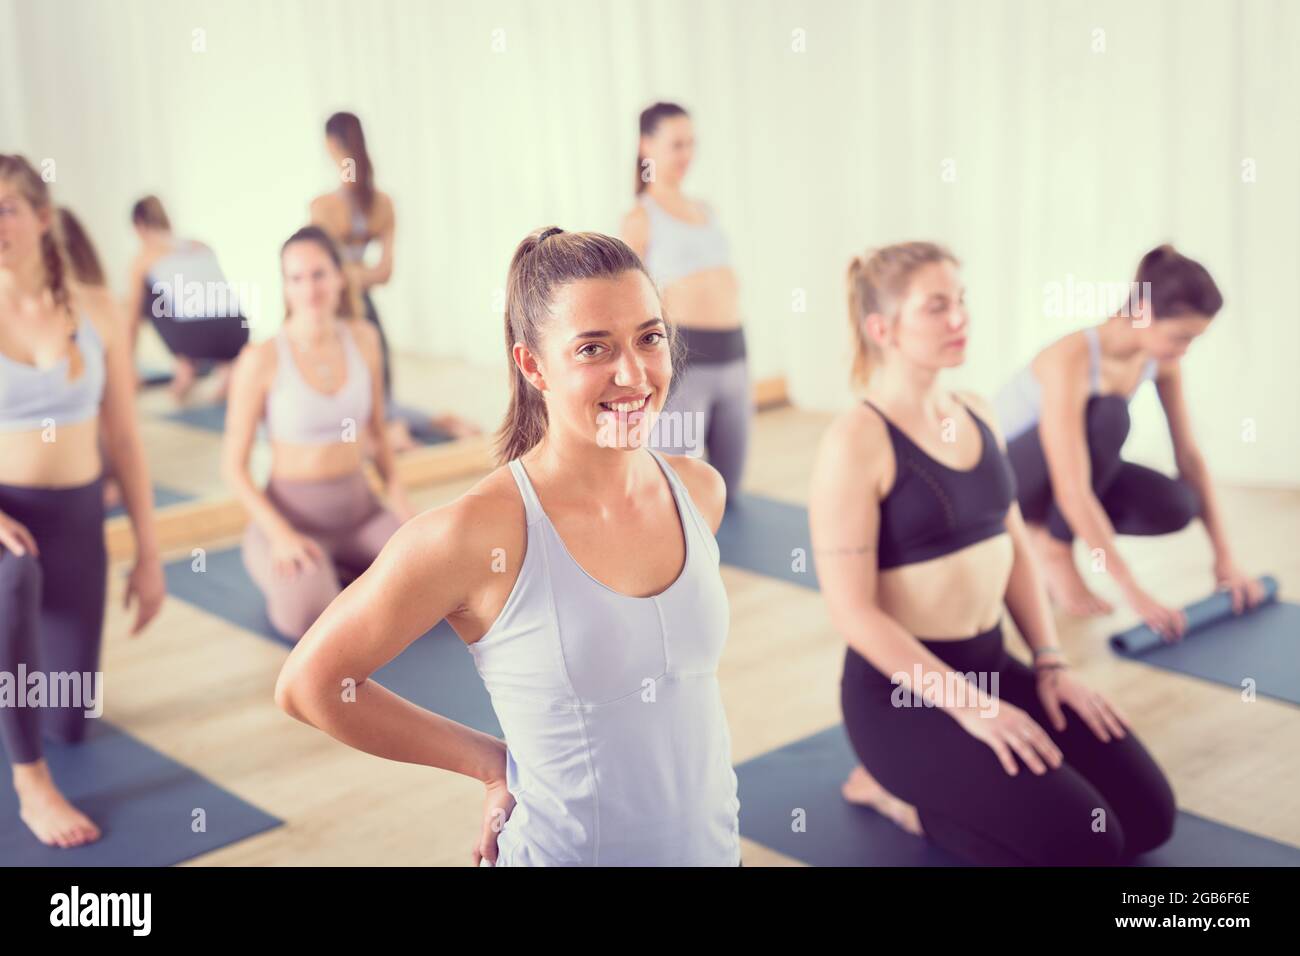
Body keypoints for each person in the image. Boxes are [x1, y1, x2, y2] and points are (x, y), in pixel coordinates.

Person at [274, 228, 742, 866]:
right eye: (593, 348)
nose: (632, 373)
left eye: (649, 338)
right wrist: (491, 765)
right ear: (533, 365)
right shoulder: (476, 533)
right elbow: (312, 685)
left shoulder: (698, 491)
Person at [811, 241, 1175, 865]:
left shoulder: (974, 410)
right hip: (905, 697)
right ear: (882, 328)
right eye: (936, 307)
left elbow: (1014, 550)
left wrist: (1051, 663)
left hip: (993, 666)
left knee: (1148, 819)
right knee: (1086, 848)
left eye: (961, 302)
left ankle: (938, 786)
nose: (960, 319)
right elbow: (852, 614)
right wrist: (972, 708)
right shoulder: (856, 440)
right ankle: (903, 800)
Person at [0, 155, 166, 848]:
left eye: (6, 208)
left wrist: (152, 558)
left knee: (70, 716)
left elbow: (124, 439)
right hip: (6, 520)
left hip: (77, 524)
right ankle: (30, 783)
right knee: (13, 582)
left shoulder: (98, 308)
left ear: (42, 218)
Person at [993, 244, 1265, 632]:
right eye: (1180, 337)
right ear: (1142, 312)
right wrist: (1132, 590)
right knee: (1109, 416)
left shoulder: (1161, 362)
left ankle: (1041, 530)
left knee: (1177, 503)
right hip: (1004, 477)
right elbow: (1072, 487)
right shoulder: (1070, 357)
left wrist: (1224, 558)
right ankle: (1053, 549)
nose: (1184, 351)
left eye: (1193, 341)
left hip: (1067, 470)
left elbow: (1188, 457)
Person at [222, 226, 414, 642]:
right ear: (285, 286)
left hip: (360, 513)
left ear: (339, 277)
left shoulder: (364, 339)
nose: (309, 288)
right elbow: (233, 469)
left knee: (424, 584)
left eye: (318, 274)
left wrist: (398, 495)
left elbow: (378, 432)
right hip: (294, 522)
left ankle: (348, 567)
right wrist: (280, 535)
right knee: (314, 622)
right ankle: (329, 574)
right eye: (296, 278)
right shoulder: (261, 359)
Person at [309, 111, 478, 453]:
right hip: (367, 307)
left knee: (355, 401)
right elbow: (382, 273)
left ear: (330, 145)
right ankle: (438, 422)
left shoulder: (323, 207)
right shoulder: (382, 204)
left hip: (342, 311)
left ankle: (396, 433)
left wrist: (345, 275)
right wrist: (359, 275)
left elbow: (328, 273)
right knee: (378, 396)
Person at [622, 102, 751, 499]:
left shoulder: (706, 210)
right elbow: (627, 304)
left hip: (735, 356)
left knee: (729, 487)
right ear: (647, 145)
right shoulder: (639, 219)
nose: (686, 155)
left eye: (691, 144)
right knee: (668, 486)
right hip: (685, 361)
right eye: (676, 144)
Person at [126, 195, 249, 402]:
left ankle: (185, 366)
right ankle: (227, 369)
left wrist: (127, 366)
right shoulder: (200, 244)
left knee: (148, 298)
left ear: (139, 226)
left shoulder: (144, 257)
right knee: (196, 297)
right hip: (238, 331)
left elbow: (132, 317)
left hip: (194, 338)